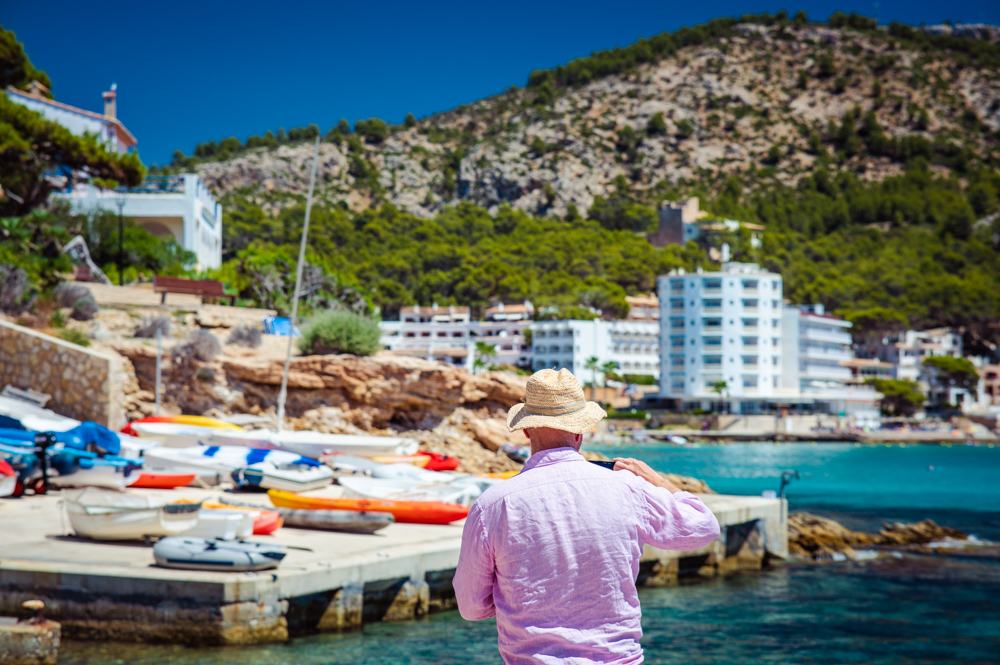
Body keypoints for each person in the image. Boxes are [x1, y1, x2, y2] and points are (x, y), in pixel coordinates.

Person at [454, 368, 720, 664]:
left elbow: (470, 607)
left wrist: (519, 598)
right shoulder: (627, 488)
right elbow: (703, 527)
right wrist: (661, 484)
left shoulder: (492, 505)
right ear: (580, 430)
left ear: (527, 430)